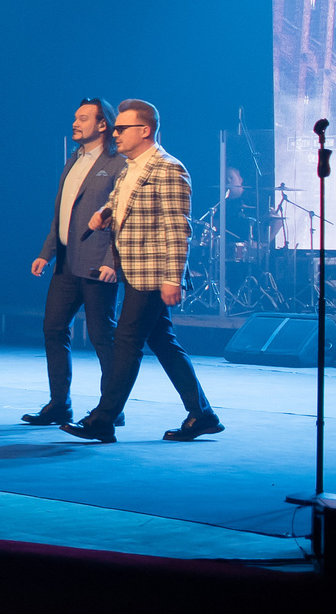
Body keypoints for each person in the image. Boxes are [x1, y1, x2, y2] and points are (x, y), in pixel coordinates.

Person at [67, 100, 223, 442]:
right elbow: (122, 200)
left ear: (145, 130)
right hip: (133, 269)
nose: (115, 133)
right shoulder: (130, 168)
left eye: (122, 128)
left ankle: (103, 419)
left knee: (126, 341)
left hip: (153, 274)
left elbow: (177, 229)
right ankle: (202, 414)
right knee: (163, 342)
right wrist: (104, 212)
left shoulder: (168, 169)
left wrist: (173, 278)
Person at [26, 98, 129, 427]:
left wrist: (112, 261)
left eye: (83, 118)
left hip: (98, 264)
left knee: (102, 336)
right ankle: (60, 404)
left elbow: (121, 219)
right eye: (75, 117)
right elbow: (62, 213)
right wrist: (46, 252)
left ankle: (111, 408)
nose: (75, 123)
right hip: (66, 263)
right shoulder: (73, 159)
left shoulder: (118, 163)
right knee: (53, 328)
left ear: (103, 124)